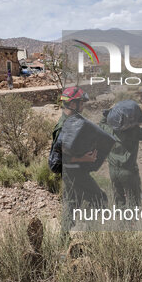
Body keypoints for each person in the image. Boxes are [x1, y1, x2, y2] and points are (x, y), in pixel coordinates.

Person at [48, 86, 107, 231]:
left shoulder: (69, 121)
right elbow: (58, 160)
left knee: (72, 204)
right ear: (73, 104)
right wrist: (84, 159)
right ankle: (89, 232)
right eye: (81, 102)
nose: (83, 105)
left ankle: (67, 238)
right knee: (100, 199)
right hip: (73, 173)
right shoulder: (67, 126)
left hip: (72, 172)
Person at [99, 103, 142, 207]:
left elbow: (101, 123)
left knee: (119, 199)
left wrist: (110, 110)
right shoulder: (134, 132)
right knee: (134, 200)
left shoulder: (110, 130)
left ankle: (121, 221)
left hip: (113, 172)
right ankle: (133, 222)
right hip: (128, 171)